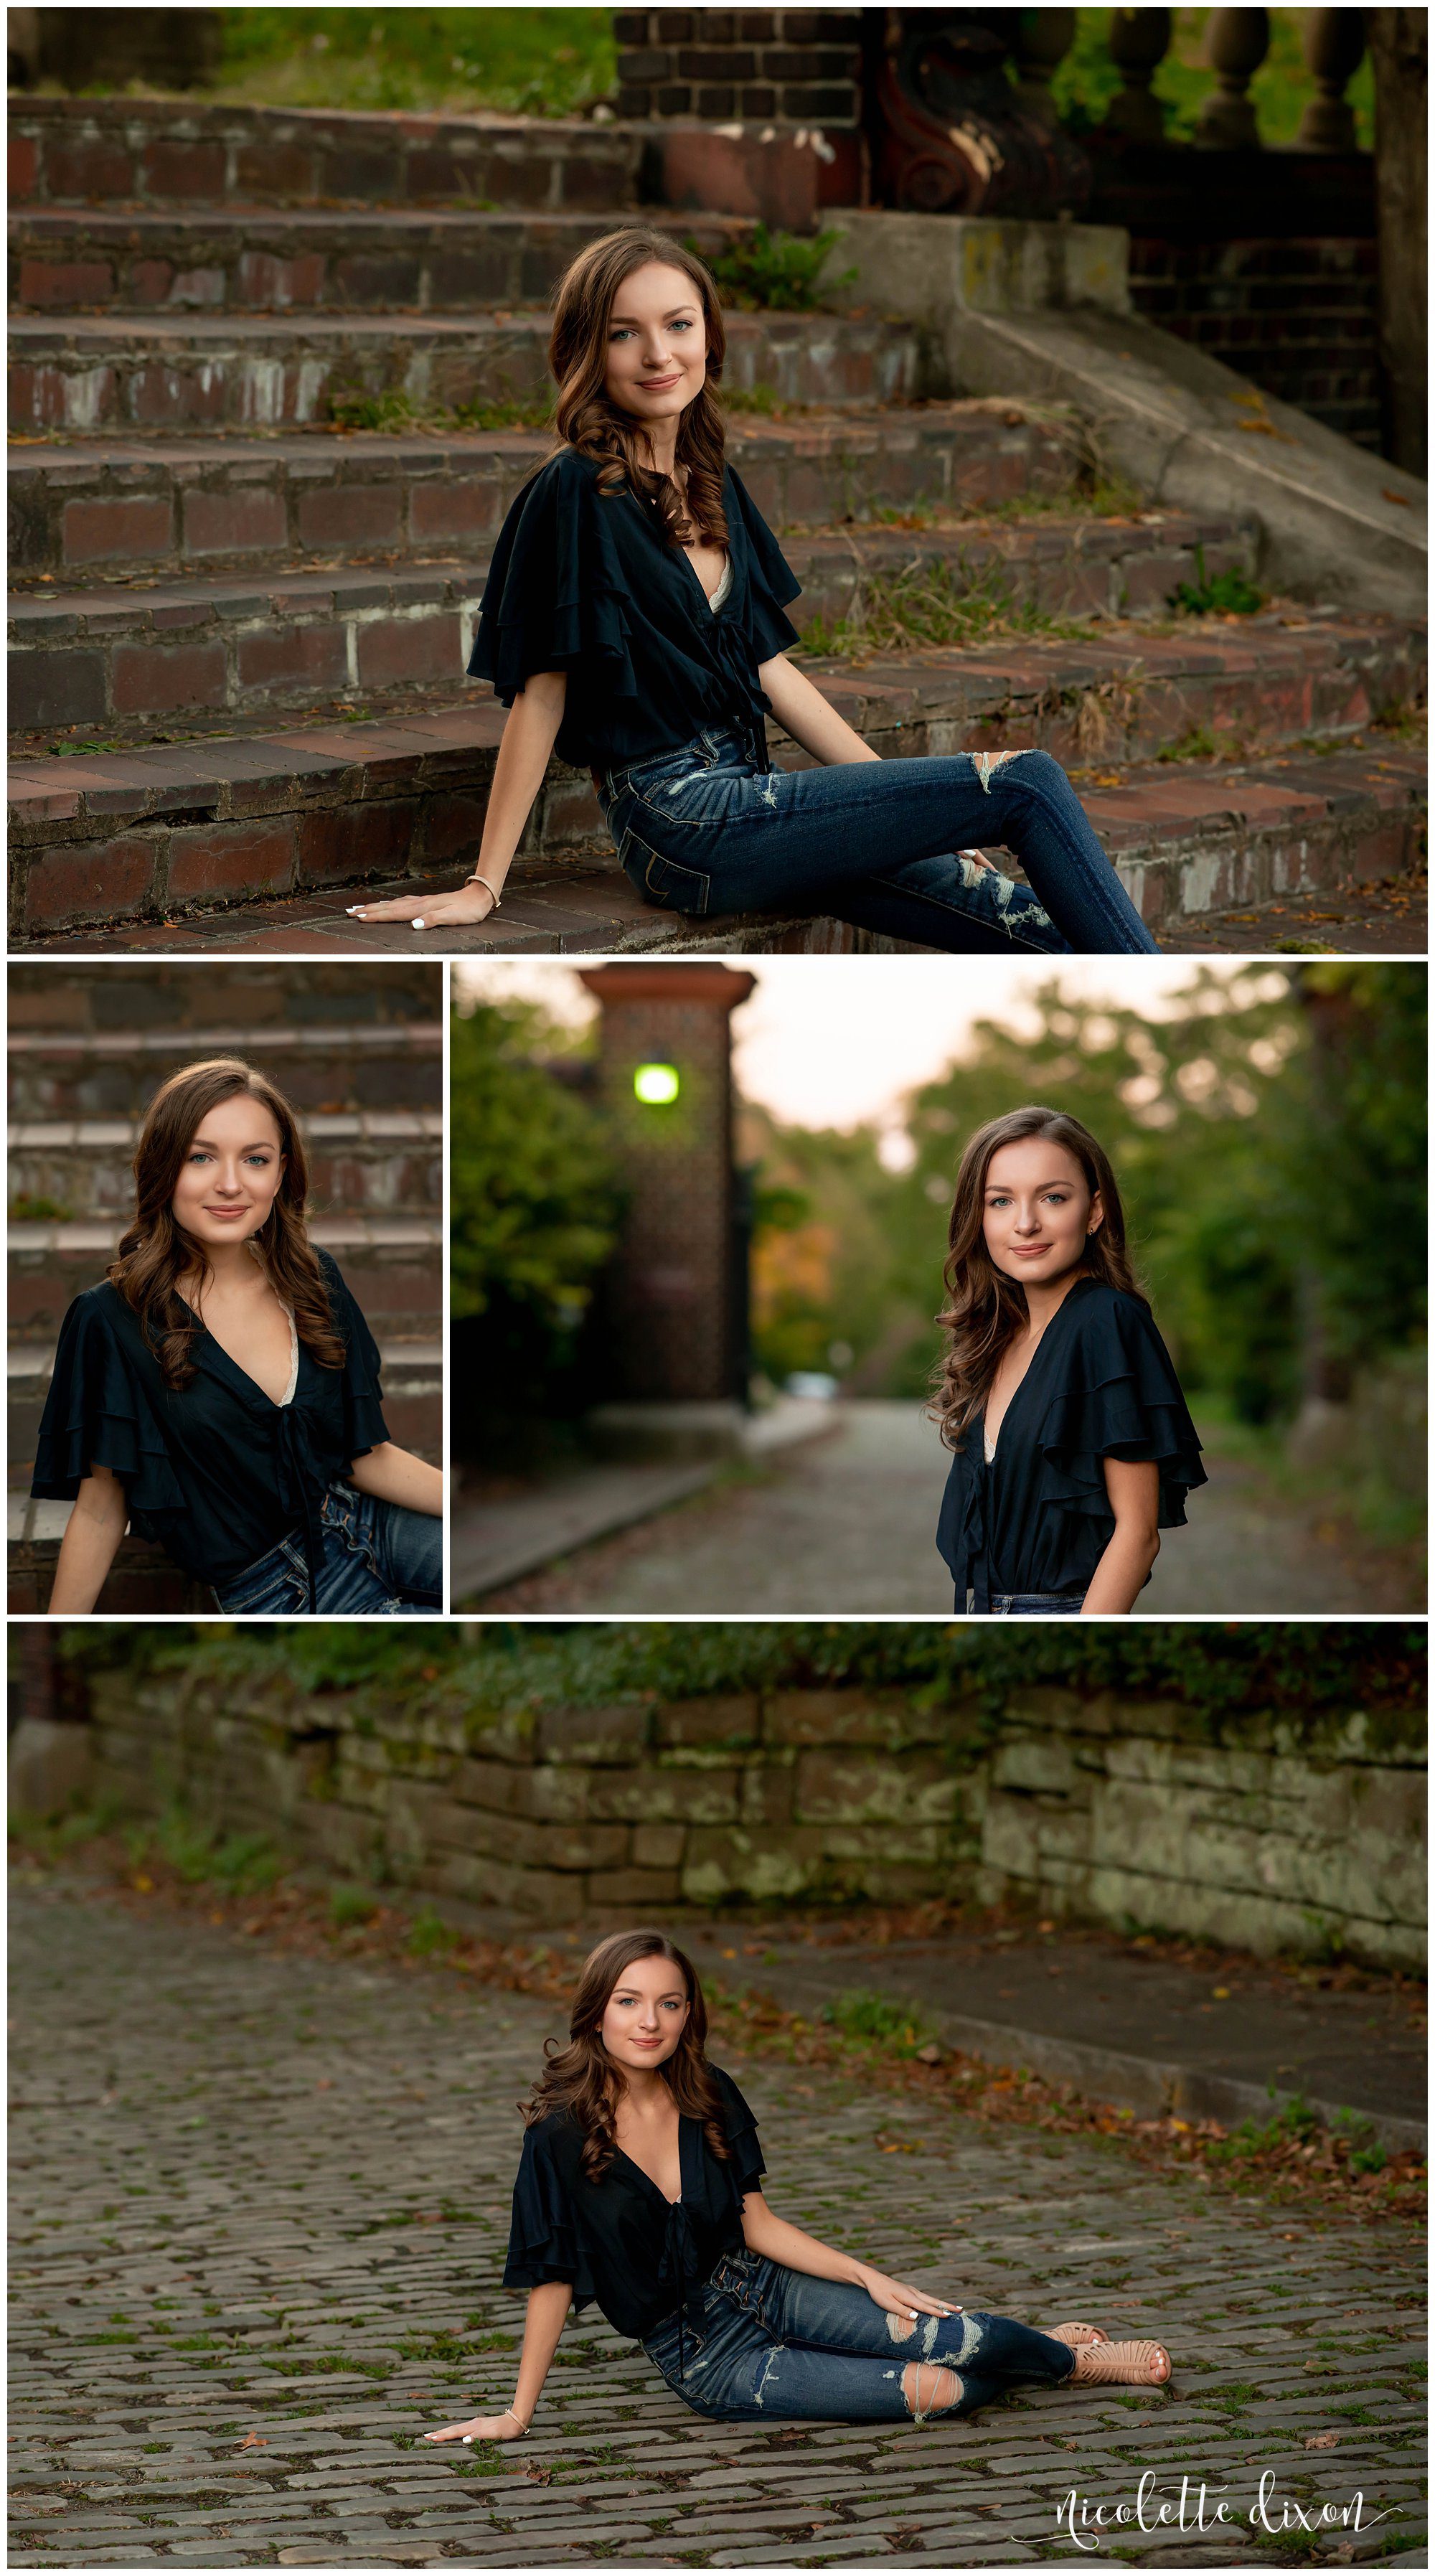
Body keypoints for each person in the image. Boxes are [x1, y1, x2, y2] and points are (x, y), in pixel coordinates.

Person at [348, 229, 1159, 957]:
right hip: (682, 818)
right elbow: (541, 694)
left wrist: (921, 810)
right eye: (623, 333)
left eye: (678, 324)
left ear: (709, 337)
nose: (657, 353)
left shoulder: (711, 484)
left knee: (1045, 932)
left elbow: (771, 673)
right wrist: (485, 884)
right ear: (586, 353)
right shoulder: (573, 492)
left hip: (759, 800)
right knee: (1023, 780)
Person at [420, 1930, 1170, 2443]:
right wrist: (518, 2413)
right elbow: (549, 2277)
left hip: (769, 2286)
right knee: (942, 2390)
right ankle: (1025, 2353)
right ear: (595, 2010)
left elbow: (755, 2222)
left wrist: (866, 2274)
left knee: (959, 2333)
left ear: (689, 2012)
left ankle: (1065, 2359)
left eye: (668, 2002)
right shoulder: (557, 2133)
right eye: (628, 1999)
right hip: (706, 2355)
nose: (648, 2020)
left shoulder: (708, 2091)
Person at [32, 1058, 443, 1615]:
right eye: (200, 1157)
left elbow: (363, 1457)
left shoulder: (312, 1277)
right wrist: (60, 1624)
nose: (230, 1184)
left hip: (371, 1522)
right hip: (275, 1584)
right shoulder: (111, 1319)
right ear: (163, 1169)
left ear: (280, 1173)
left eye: (255, 1159)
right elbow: (103, 1507)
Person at [933, 1106, 1205, 1614]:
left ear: (1094, 1211)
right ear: (979, 1217)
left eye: (1053, 1197)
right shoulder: (999, 1335)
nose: (1026, 1223)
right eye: (1000, 1201)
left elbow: (1138, 1532)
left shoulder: (1108, 1322)